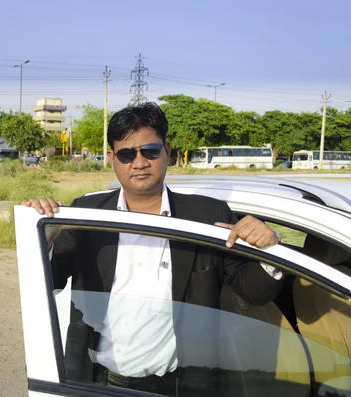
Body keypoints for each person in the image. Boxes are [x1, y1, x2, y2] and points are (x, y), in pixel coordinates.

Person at [21, 102, 284, 396]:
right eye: (126, 154)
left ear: (167, 151)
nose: (139, 162)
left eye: (150, 151)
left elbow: (254, 291)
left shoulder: (208, 217)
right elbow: (49, 281)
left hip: (181, 386)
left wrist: (269, 250)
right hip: (98, 382)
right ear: (112, 158)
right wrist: (42, 238)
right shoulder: (86, 214)